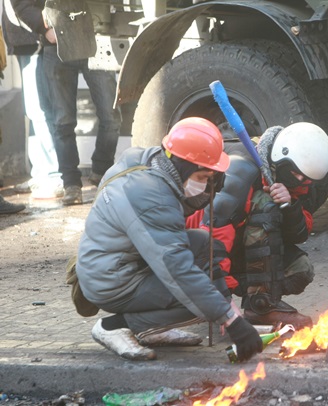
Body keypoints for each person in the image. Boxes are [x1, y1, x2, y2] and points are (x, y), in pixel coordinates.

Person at [76, 117, 263, 361]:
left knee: (203, 243)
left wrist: (228, 306)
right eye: (203, 177)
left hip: (117, 261)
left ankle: (152, 329)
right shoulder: (151, 196)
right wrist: (231, 320)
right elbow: (178, 272)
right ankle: (114, 326)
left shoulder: (149, 162)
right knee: (197, 300)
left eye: (210, 178)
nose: (206, 185)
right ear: (184, 166)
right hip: (111, 279)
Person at [186, 122, 328, 330]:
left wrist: (290, 206)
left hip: (236, 248)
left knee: (300, 269)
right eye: (296, 174)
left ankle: (260, 304)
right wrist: (223, 303)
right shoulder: (241, 169)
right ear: (281, 158)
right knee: (267, 205)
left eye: (305, 178)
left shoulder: (300, 179)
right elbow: (212, 239)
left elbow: (299, 234)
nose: (300, 180)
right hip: (194, 251)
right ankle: (260, 305)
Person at [42, 1, 122, 205]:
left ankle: (101, 172)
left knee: (111, 116)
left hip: (95, 38)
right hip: (56, 43)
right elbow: (21, 5)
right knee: (63, 121)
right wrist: (42, 27)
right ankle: (71, 184)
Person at [2, 0, 63, 199]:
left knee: (39, 110)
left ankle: (53, 176)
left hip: (34, 41)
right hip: (25, 42)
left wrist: (41, 30)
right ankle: (41, 172)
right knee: (34, 110)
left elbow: (23, 6)